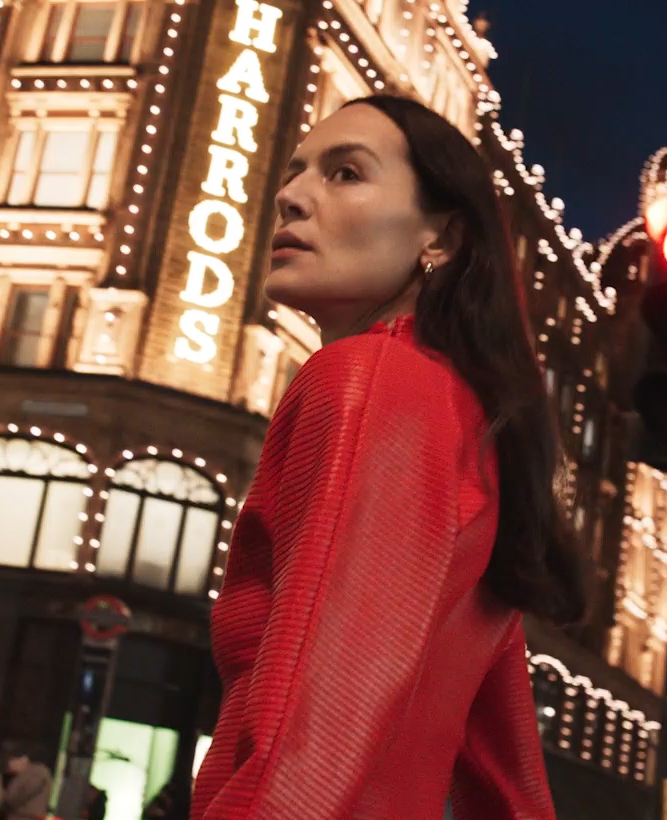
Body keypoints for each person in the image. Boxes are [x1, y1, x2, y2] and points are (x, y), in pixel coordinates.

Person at [190, 95, 588, 820]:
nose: (290, 196)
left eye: (345, 174)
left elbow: (312, 731)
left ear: (442, 238)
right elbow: (505, 774)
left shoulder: (365, 383)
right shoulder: (465, 425)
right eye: (295, 172)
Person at [1, 744, 51, 820]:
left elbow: (19, 795)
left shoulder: (34, 772)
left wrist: (7, 797)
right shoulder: (44, 773)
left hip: (23, 816)